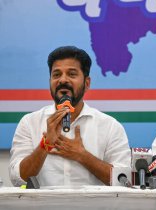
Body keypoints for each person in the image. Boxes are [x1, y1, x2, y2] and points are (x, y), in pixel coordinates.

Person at [9, 46, 131, 186]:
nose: (62, 80)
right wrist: (45, 145)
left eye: (72, 74)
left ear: (87, 83)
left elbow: (124, 181)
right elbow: (18, 179)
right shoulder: (29, 123)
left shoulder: (110, 126)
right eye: (56, 75)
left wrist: (82, 155)